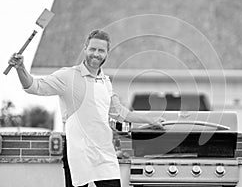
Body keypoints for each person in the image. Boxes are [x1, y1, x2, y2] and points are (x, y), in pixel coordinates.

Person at [8, 29, 164, 187]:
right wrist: (21, 68)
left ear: (107, 53)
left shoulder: (106, 82)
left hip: (104, 153)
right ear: (85, 49)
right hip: (78, 151)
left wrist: (150, 119)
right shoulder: (68, 76)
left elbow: (122, 113)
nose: (96, 54)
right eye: (93, 49)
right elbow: (35, 86)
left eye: (101, 50)